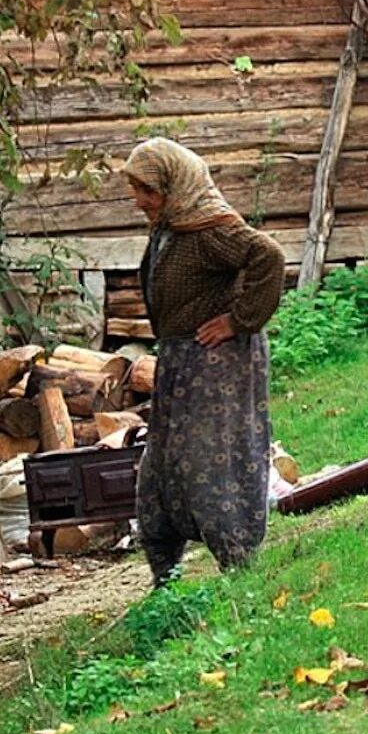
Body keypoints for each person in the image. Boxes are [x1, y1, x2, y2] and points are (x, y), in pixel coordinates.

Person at [123, 137, 286, 587]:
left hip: (219, 367)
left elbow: (268, 257)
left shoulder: (212, 228)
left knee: (214, 463)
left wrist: (240, 320)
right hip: (181, 361)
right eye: (137, 190)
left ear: (175, 187)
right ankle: (166, 579)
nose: (139, 201)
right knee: (162, 468)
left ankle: (239, 571)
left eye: (147, 191)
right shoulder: (172, 224)